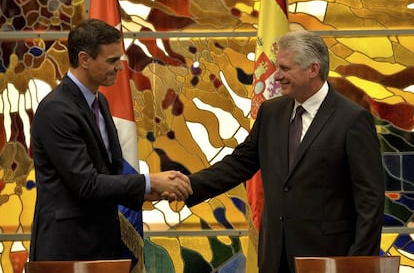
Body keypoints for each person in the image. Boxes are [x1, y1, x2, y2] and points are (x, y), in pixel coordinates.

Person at [184, 30, 385, 272]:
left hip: (327, 259)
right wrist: (185, 186)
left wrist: (357, 264)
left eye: (284, 68)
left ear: (313, 69)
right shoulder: (271, 112)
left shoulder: (352, 119)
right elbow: (239, 164)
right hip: (274, 257)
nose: (276, 76)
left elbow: (370, 200)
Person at [29, 19, 192, 261]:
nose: (120, 68)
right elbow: (86, 184)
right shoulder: (57, 110)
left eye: (120, 59)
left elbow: (111, 174)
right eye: (112, 61)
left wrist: (150, 192)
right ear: (84, 59)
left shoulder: (100, 102)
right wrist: (149, 182)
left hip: (103, 246)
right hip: (68, 251)